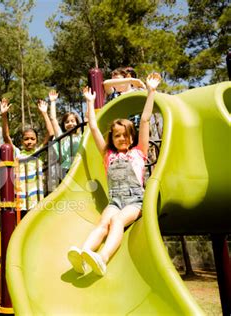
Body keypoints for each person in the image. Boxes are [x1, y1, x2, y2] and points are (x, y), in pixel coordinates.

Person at [67, 72, 162, 276]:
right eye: (117, 135)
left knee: (117, 221)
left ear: (131, 137)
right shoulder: (107, 155)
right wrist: (90, 102)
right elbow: (93, 127)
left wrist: (151, 91)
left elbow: (145, 120)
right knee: (103, 223)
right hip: (114, 201)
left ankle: (103, 258)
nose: (121, 138)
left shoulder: (139, 152)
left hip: (135, 201)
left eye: (125, 135)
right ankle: (84, 255)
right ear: (112, 138)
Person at [0, 98, 55, 212]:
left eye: (32, 139)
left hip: (36, 199)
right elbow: (6, 137)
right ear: (22, 141)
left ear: (36, 141)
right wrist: (4, 115)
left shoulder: (39, 152)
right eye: (26, 139)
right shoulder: (18, 153)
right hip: (21, 198)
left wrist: (44, 113)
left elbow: (51, 134)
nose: (29, 141)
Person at [48, 89, 82, 178]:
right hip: (66, 169)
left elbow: (87, 118)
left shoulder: (81, 135)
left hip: (80, 166)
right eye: (67, 122)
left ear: (77, 123)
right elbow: (53, 119)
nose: (70, 123)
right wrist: (53, 102)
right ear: (63, 125)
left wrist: (89, 100)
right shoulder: (62, 137)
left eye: (72, 121)